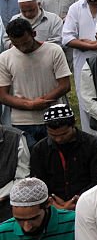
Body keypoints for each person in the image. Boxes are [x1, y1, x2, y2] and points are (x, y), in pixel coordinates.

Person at [0, 17, 72, 147]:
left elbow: (65, 85)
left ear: (33, 34)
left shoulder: (53, 51)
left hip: (53, 118)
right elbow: (3, 95)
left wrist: (41, 101)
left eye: (25, 43)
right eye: (17, 45)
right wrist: (30, 105)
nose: (22, 48)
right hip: (22, 121)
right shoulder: (5, 58)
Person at [30, 103, 97, 210]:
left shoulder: (93, 144)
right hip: (51, 205)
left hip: (89, 202)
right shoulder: (39, 149)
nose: (59, 139)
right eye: (53, 135)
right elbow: (37, 182)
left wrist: (77, 200)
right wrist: (52, 202)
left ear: (74, 125)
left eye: (64, 134)